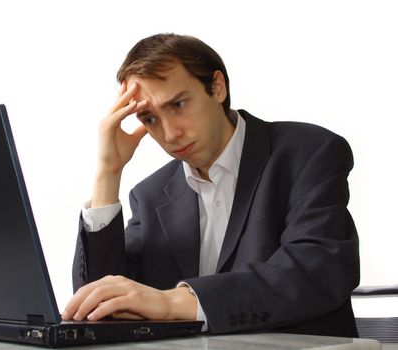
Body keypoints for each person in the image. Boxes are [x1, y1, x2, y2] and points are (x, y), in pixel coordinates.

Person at [62, 33, 360, 337]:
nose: (169, 134)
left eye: (178, 104)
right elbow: (98, 304)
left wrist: (174, 302)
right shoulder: (151, 195)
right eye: (149, 118)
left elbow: (316, 270)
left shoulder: (307, 153)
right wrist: (108, 173)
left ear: (217, 87)